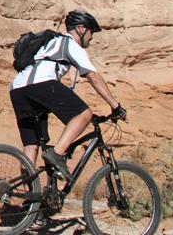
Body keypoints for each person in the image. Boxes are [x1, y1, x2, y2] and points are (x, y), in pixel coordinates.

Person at [9, 10, 126, 180]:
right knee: (84, 113)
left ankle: (30, 201)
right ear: (81, 29)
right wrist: (115, 106)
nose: (91, 37)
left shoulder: (50, 44)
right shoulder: (68, 43)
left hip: (18, 88)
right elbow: (93, 76)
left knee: (31, 146)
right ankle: (56, 155)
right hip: (39, 84)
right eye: (91, 31)